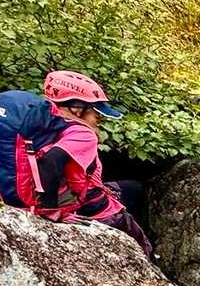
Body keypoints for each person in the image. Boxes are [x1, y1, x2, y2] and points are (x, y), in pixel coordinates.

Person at [33, 70, 153, 257]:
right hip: (92, 210)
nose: (100, 119)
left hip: (60, 196)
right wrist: (50, 212)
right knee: (140, 246)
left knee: (134, 188)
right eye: (96, 113)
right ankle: (151, 259)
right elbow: (51, 161)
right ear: (77, 109)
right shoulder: (83, 134)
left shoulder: (39, 124)